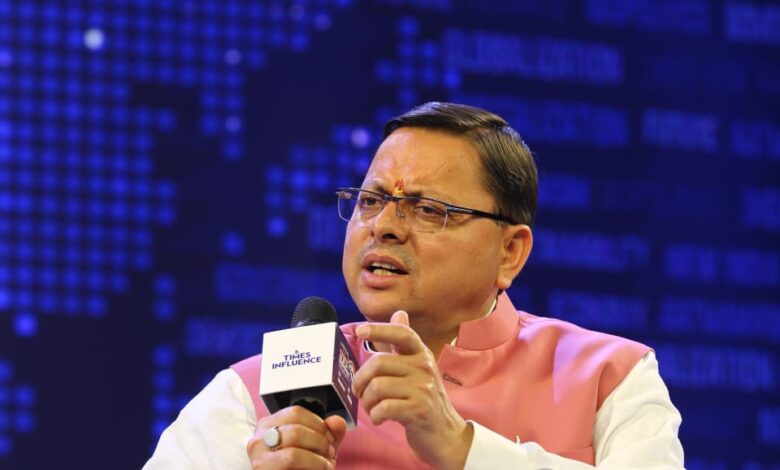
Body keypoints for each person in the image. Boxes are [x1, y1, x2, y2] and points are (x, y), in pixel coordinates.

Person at [144, 102, 684, 469]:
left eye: (429, 210)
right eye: (371, 200)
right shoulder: (250, 394)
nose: (384, 226)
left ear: (510, 252)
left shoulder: (609, 378)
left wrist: (461, 446)